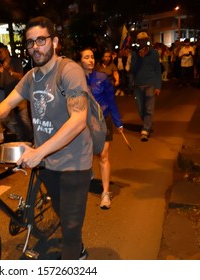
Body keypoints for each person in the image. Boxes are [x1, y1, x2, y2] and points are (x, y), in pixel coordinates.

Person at [0, 16, 92, 260]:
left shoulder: (69, 70)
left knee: (71, 228)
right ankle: (78, 245)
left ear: (54, 41)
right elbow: (8, 102)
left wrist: (39, 151)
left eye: (41, 40)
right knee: (63, 212)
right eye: (30, 42)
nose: (35, 47)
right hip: (47, 163)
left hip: (75, 162)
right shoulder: (32, 77)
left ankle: (77, 254)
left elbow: (78, 120)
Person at [80, 48, 124, 210]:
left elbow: (111, 101)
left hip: (103, 120)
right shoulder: (75, 80)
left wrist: (118, 122)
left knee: (103, 156)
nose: (90, 60)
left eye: (92, 57)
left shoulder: (102, 77)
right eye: (86, 57)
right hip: (83, 123)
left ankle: (105, 193)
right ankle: (87, 176)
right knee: (86, 154)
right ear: (80, 61)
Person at [0, 44, 33, 142]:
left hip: (20, 96)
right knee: (17, 121)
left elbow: (21, 76)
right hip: (9, 98)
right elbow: (1, 84)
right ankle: (22, 141)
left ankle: (31, 141)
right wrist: (1, 73)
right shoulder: (0, 66)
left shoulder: (15, 61)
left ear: (7, 51)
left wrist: (10, 70)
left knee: (24, 119)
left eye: (1, 52)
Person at [130, 32, 162, 142]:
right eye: (140, 40)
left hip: (150, 84)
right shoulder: (134, 54)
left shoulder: (154, 53)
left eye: (144, 40)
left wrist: (158, 86)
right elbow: (132, 70)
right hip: (138, 85)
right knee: (140, 109)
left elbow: (157, 70)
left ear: (147, 40)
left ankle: (146, 129)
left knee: (149, 108)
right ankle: (147, 123)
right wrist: (139, 58)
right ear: (138, 42)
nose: (142, 42)